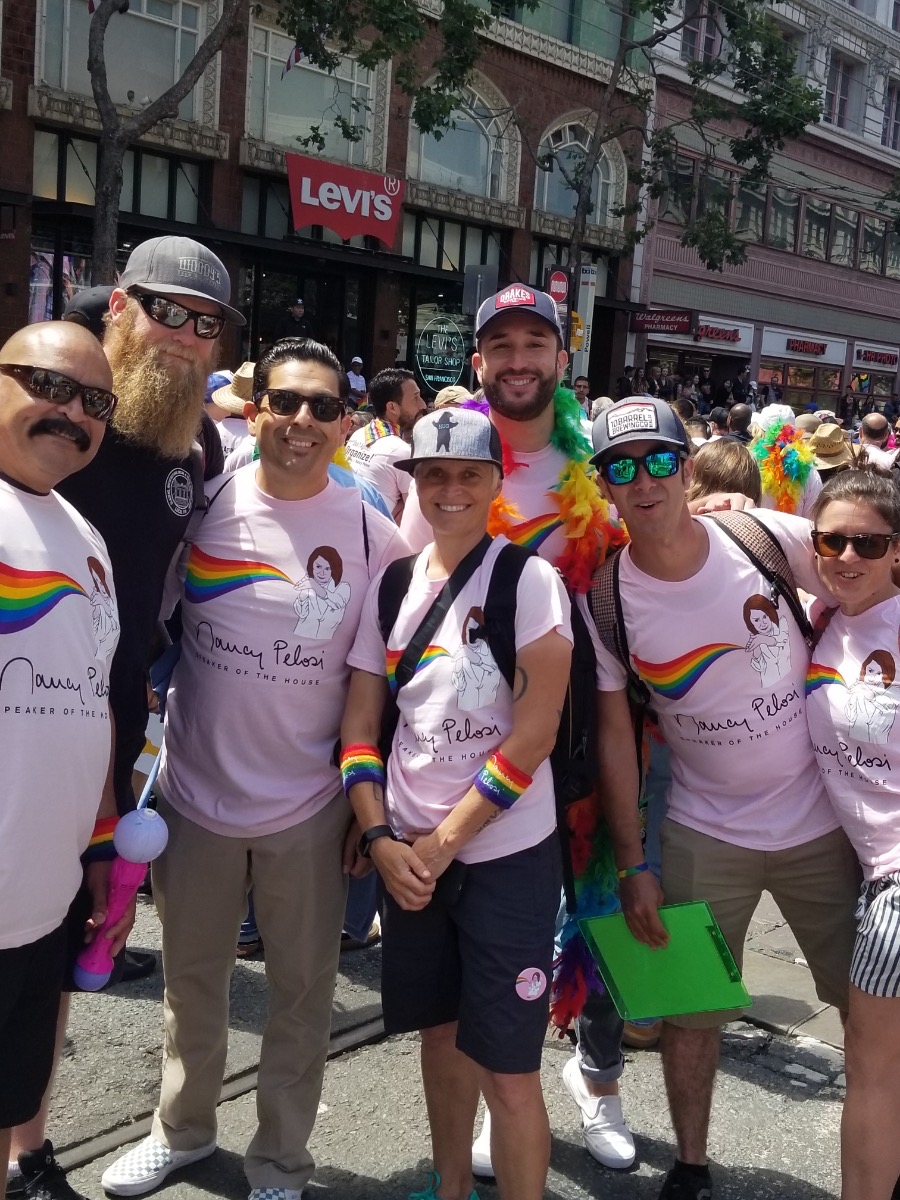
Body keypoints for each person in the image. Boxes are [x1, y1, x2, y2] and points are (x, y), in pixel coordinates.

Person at [99, 339, 408, 1200]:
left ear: (347, 421)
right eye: (285, 401)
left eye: (322, 406)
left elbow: (372, 695)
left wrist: (363, 806)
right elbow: (143, 629)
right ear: (257, 404)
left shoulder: (372, 537)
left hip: (308, 810)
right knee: (190, 986)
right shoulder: (203, 502)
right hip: (194, 796)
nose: (301, 421)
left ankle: (279, 1162)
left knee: (300, 1001)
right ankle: (183, 1132)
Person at [8, 237, 245, 1198]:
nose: (185, 337)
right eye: (166, 310)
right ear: (118, 309)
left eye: (208, 323)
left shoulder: (204, 445)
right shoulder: (45, 419)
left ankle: (28, 1144)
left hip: (106, 727)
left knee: (53, 948)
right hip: (17, 706)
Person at [586, 396, 861, 1200]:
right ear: (604, 484)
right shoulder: (606, 598)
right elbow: (613, 737)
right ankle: (693, 1165)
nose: (644, 481)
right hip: (704, 831)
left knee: (870, 1005)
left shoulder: (760, 536)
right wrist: (632, 861)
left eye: (661, 460)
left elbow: (862, 580)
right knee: (689, 1015)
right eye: (622, 467)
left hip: (824, 823)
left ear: (690, 464)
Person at [400, 287, 636, 1177]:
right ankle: (495, 1107)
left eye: (536, 342)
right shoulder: (448, 460)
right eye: (501, 345)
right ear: (478, 365)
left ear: (562, 360)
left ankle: (600, 1081)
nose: (519, 359)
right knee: (493, 942)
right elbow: (402, 598)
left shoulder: (600, 463)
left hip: (590, 716)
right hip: (471, 743)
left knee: (603, 903)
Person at [341, 407, 573, 1200]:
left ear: (494, 483)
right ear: (412, 482)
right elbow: (361, 727)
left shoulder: (530, 581)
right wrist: (378, 837)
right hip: (406, 855)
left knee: (509, 1070)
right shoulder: (393, 585)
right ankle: (449, 1190)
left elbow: (534, 736)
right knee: (439, 1038)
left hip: (503, 859)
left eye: (467, 474)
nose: (448, 490)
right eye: (432, 474)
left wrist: (441, 843)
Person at [0, 323, 128, 1200]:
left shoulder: (87, 537)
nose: (71, 413)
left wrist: (99, 850)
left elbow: (93, 701)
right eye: (49, 384)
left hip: (41, 903)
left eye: (94, 403)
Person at [805, 468, 900, 1200]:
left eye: (865, 543)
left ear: (895, 549)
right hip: (875, 877)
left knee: (871, 1074)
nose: (845, 556)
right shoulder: (822, 619)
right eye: (830, 539)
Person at [345, 368, 426, 520]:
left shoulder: (358, 434)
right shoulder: (402, 452)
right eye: (415, 398)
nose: (422, 405)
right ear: (392, 407)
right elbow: (415, 515)